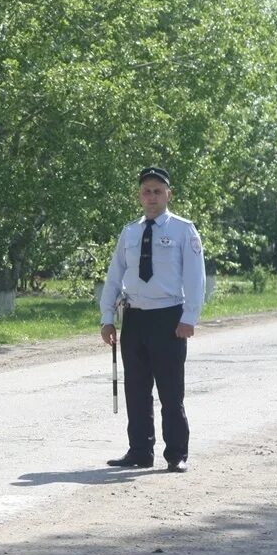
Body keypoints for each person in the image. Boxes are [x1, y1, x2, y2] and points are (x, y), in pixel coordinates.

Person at [99, 166, 205, 473]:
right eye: (146, 191)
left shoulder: (184, 230)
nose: (152, 196)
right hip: (134, 318)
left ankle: (176, 454)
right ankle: (140, 450)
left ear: (168, 194)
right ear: (139, 196)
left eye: (158, 191)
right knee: (136, 388)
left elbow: (195, 278)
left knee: (171, 391)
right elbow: (114, 276)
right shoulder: (130, 232)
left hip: (169, 318)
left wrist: (189, 318)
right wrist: (108, 318)